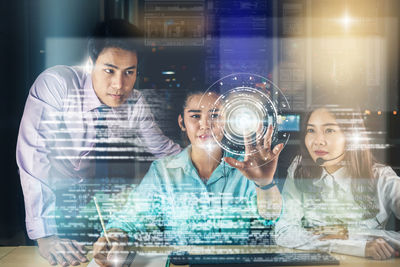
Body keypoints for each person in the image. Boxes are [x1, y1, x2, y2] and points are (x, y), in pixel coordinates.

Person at [16, 19, 180, 266]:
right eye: (109, 70)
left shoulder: (135, 103)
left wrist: (214, 165)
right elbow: (32, 156)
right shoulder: (57, 84)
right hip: (47, 201)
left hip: (93, 205)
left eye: (129, 72)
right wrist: (46, 235)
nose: (119, 85)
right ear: (91, 63)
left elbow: (165, 152)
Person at [92, 91, 284, 266]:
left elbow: (270, 216)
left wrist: (264, 183)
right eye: (195, 116)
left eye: (215, 116)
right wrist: (114, 238)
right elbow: (131, 218)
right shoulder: (163, 172)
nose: (205, 125)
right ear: (182, 123)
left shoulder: (247, 168)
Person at [275, 106, 400, 260]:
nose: (317, 142)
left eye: (329, 130)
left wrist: (349, 234)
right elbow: (284, 231)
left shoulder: (382, 178)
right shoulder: (300, 168)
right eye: (311, 130)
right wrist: (350, 245)